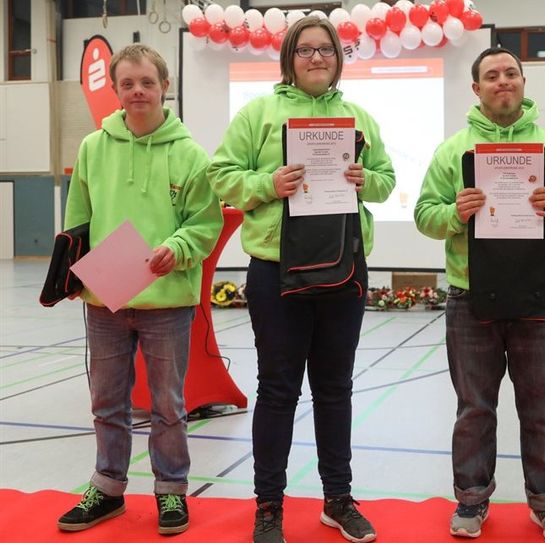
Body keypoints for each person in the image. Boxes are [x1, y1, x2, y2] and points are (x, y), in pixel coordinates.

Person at [208, 16, 394, 543]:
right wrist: (268, 182)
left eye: (326, 50)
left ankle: (338, 499)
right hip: (276, 270)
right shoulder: (258, 113)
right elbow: (221, 174)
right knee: (278, 390)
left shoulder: (357, 117)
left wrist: (366, 180)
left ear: (338, 58)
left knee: (335, 390)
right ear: (289, 57)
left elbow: (385, 180)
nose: (317, 58)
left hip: (345, 268)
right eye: (306, 50)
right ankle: (269, 506)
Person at [414, 47, 545, 540]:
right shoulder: (454, 151)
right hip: (471, 300)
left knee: (543, 409)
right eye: (491, 76)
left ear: (523, 82)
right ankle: (471, 502)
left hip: (539, 297)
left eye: (510, 73)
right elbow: (424, 215)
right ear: (476, 89)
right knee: (474, 409)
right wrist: (455, 213)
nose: (502, 81)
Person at [57, 44, 223, 535]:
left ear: (164, 87)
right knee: (106, 401)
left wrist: (179, 246)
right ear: (115, 90)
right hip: (105, 300)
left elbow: (205, 222)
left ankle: (171, 492)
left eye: (146, 83)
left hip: (166, 301)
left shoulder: (190, 152)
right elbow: (78, 222)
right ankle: (107, 488)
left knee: (168, 404)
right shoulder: (92, 148)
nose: (137, 92)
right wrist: (71, 273)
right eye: (126, 84)